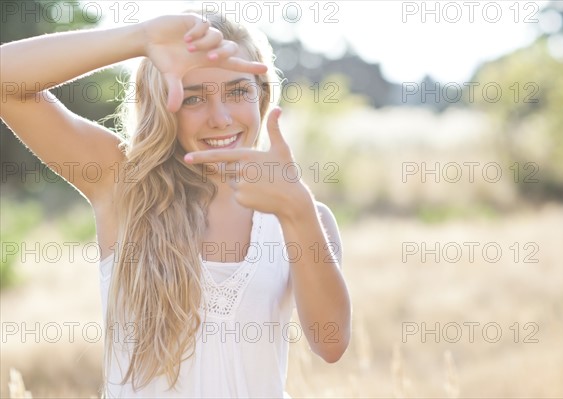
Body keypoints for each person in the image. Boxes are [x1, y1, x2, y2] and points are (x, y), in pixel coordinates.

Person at [0, 9, 351, 398]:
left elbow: (330, 344)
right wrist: (141, 37)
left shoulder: (305, 216)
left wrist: (297, 210)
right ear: (163, 101)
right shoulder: (123, 185)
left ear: (261, 96)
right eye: (194, 97)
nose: (220, 118)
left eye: (237, 91)